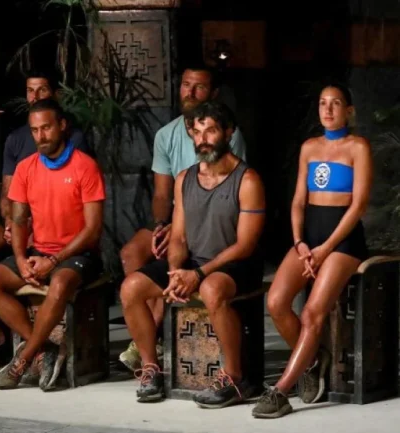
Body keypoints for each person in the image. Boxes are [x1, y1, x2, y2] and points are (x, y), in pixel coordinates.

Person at [120, 101, 265, 406]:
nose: (203, 139)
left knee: (211, 288)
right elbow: (179, 236)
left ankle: (233, 377)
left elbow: (245, 245)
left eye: (210, 131)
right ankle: (151, 368)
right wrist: (175, 272)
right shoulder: (185, 178)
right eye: (197, 133)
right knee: (131, 288)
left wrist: (197, 274)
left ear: (228, 132)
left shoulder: (247, 180)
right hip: (194, 262)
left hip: (237, 264)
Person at [117, 64, 248, 371]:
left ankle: (155, 331)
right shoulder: (166, 135)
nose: (190, 92)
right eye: (186, 85)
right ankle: (150, 352)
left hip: (212, 220)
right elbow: (162, 194)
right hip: (177, 215)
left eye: (199, 86)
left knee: (187, 260)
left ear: (213, 93)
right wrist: (162, 226)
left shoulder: (232, 138)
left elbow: (231, 189)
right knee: (133, 252)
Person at [252, 84, 371, 419]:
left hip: (342, 242)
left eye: (336, 103)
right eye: (322, 103)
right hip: (308, 239)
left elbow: (359, 205)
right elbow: (298, 202)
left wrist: (326, 248)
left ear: (348, 110)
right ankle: (315, 360)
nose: (328, 109)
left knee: (312, 313)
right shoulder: (309, 147)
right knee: (276, 302)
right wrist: (299, 242)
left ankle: (280, 391)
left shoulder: (358, 147)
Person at [0, 99, 105, 391]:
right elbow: (18, 220)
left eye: (46, 128)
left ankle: (24, 358)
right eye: (35, 130)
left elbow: (93, 230)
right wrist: (21, 258)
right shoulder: (26, 168)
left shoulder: (85, 166)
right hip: (38, 252)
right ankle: (46, 346)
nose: (40, 136)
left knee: (59, 285)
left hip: (77, 254)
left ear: (62, 126)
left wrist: (55, 261)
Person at [0, 70, 90, 362]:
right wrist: (12, 224)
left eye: (41, 90)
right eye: (30, 90)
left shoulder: (74, 140)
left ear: (56, 95)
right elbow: (9, 193)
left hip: (53, 225)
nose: (34, 96)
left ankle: (31, 351)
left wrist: (30, 234)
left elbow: (66, 198)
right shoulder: (16, 139)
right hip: (22, 216)